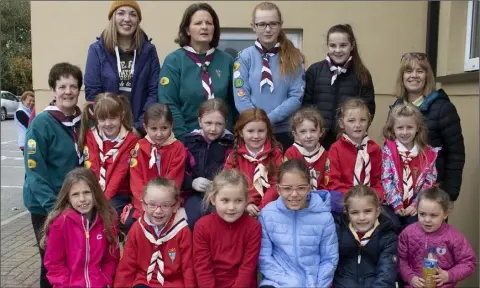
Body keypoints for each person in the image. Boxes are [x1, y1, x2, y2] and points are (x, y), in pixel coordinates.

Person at [23, 62, 83, 288]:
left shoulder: (82, 121)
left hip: (74, 202)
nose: (68, 91)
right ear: (53, 90)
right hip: (45, 205)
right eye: (62, 86)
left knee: (73, 260)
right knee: (51, 262)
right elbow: (35, 172)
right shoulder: (41, 124)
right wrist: (54, 208)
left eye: (73, 86)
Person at [391, 53, 464, 212]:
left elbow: (456, 154)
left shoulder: (443, 108)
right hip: (400, 196)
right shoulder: (396, 107)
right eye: (408, 71)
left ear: (427, 76)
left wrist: (449, 195)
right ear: (402, 76)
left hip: (432, 193)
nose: (414, 76)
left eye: (420, 71)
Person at [159, 2, 235, 143]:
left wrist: (228, 134)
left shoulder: (227, 60)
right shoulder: (174, 61)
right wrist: (184, 138)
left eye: (209, 23)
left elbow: (233, 103)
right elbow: (168, 103)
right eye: (198, 23)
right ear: (187, 30)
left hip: (223, 141)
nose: (204, 27)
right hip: (186, 140)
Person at [233, 1, 304, 150]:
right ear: (253, 26)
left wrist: (267, 120)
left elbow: (296, 96)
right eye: (262, 24)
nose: (268, 29)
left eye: (273, 24)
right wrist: (257, 123)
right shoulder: (245, 57)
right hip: (252, 133)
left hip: (284, 132)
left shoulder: (294, 57)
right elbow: (241, 95)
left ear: (280, 25)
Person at [84, 1, 160, 136]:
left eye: (133, 14)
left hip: (140, 132)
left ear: (138, 20)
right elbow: (93, 92)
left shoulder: (149, 51)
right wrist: (111, 126)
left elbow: (153, 92)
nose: (127, 19)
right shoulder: (97, 50)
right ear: (113, 18)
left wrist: (139, 127)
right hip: (107, 131)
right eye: (121, 13)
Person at [258, 159, 338, 287]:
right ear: (278, 189)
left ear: (309, 188)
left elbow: (329, 259)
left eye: (301, 188)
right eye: (287, 188)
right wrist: (290, 283)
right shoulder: (267, 214)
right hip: (277, 282)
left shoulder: (324, 218)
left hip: (313, 283)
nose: (294, 194)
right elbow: (264, 258)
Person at [41, 168, 119, 287]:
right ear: (68, 197)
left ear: (95, 193)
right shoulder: (60, 224)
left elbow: (111, 258)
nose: (82, 199)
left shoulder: (107, 220)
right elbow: (54, 264)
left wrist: (105, 279)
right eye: (75, 194)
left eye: (87, 192)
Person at [303, 24, 375, 150]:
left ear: (351, 46)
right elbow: (306, 105)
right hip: (318, 141)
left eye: (343, 45)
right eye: (333, 46)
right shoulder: (315, 71)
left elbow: (368, 108)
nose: (337, 50)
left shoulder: (361, 74)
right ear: (327, 46)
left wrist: (354, 130)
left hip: (348, 141)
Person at [114, 178, 196, 288]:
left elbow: (188, 267)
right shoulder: (138, 228)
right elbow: (127, 265)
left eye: (165, 205)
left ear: (176, 206)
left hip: (173, 282)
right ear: (143, 205)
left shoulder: (182, 231)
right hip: (144, 280)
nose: (158, 211)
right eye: (152, 205)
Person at [193, 169, 261, 287]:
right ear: (213, 200)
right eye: (225, 200)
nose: (231, 207)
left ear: (246, 201)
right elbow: (203, 268)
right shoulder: (202, 227)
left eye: (238, 201)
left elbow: (248, 268)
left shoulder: (253, 227)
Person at [398, 187, 477, 288]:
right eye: (422, 214)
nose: (427, 220)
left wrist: (448, 275)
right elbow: (399, 259)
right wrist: (410, 277)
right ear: (417, 210)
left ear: (445, 214)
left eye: (433, 215)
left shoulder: (454, 237)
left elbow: (469, 262)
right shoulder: (408, 233)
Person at [123, 104, 186, 229]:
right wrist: (149, 204)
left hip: (168, 201)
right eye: (154, 128)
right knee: (132, 224)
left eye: (164, 128)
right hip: (144, 202)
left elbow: (174, 180)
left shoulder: (178, 148)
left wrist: (161, 204)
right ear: (145, 128)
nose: (159, 134)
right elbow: (136, 180)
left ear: (171, 126)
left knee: (173, 225)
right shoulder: (139, 147)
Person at [78, 93, 138, 218]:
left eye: (112, 118)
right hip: (94, 189)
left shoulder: (130, 139)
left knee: (107, 215)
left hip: (118, 194)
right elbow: (92, 166)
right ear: (96, 118)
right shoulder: (91, 135)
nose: (108, 123)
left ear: (121, 116)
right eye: (103, 119)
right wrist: (94, 196)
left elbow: (120, 173)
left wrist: (102, 201)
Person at [382, 103, 439, 230]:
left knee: (414, 228)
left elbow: (429, 181)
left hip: (416, 205)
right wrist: (396, 204)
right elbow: (386, 179)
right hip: (391, 204)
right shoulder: (388, 150)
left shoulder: (427, 154)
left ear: (417, 128)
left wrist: (416, 204)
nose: (405, 132)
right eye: (400, 128)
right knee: (391, 225)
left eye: (409, 127)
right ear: (393, 129)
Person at [183, 99, 234, 229]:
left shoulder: (231, 144)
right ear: (200, 121)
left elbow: (235, 172)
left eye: (218, 124)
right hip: (195, 194)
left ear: (225, 124)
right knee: (193, 219)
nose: (213, 128)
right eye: (208, 123)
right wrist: (192, 182)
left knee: (219, 220)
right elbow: (180, 171)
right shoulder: (190, 142)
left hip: (222, 194)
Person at [333, 185, 398, 287]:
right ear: (347, 214)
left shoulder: (387, 237)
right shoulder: (338, 232)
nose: (362, 218)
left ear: (377, 212)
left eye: (367, 211)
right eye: (355, 212)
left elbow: (386, 275)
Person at [224, 107, 283, 219]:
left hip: (270, 206)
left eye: (261, 131)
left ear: (267, 131)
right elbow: (228, 183)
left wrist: (262, 207)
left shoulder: (275, 154)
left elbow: (277, 183)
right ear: (241, 132)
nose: (256, 136)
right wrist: (246, 203)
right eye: (250, 131)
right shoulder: (234, 156)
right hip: (241, 206)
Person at [324, 98, 384, 203]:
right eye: (351, 121)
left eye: (362, 120)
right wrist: (354, 198)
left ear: (369, 122)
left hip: (370, 202)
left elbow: (377, 181)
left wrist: (373, 197)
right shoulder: (336, 149)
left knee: (389, 219)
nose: (358, 125)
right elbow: (332, 181)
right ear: (342, 124)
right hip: (345, 200)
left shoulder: (375, 150)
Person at [284, 107, 327, 190]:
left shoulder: (325, 154)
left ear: (321, 132)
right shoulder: (291, 153)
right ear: (295, 134)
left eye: (313, 130)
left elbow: (327, 181)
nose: (308, 136)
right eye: (303, 131)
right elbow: (286, 180)